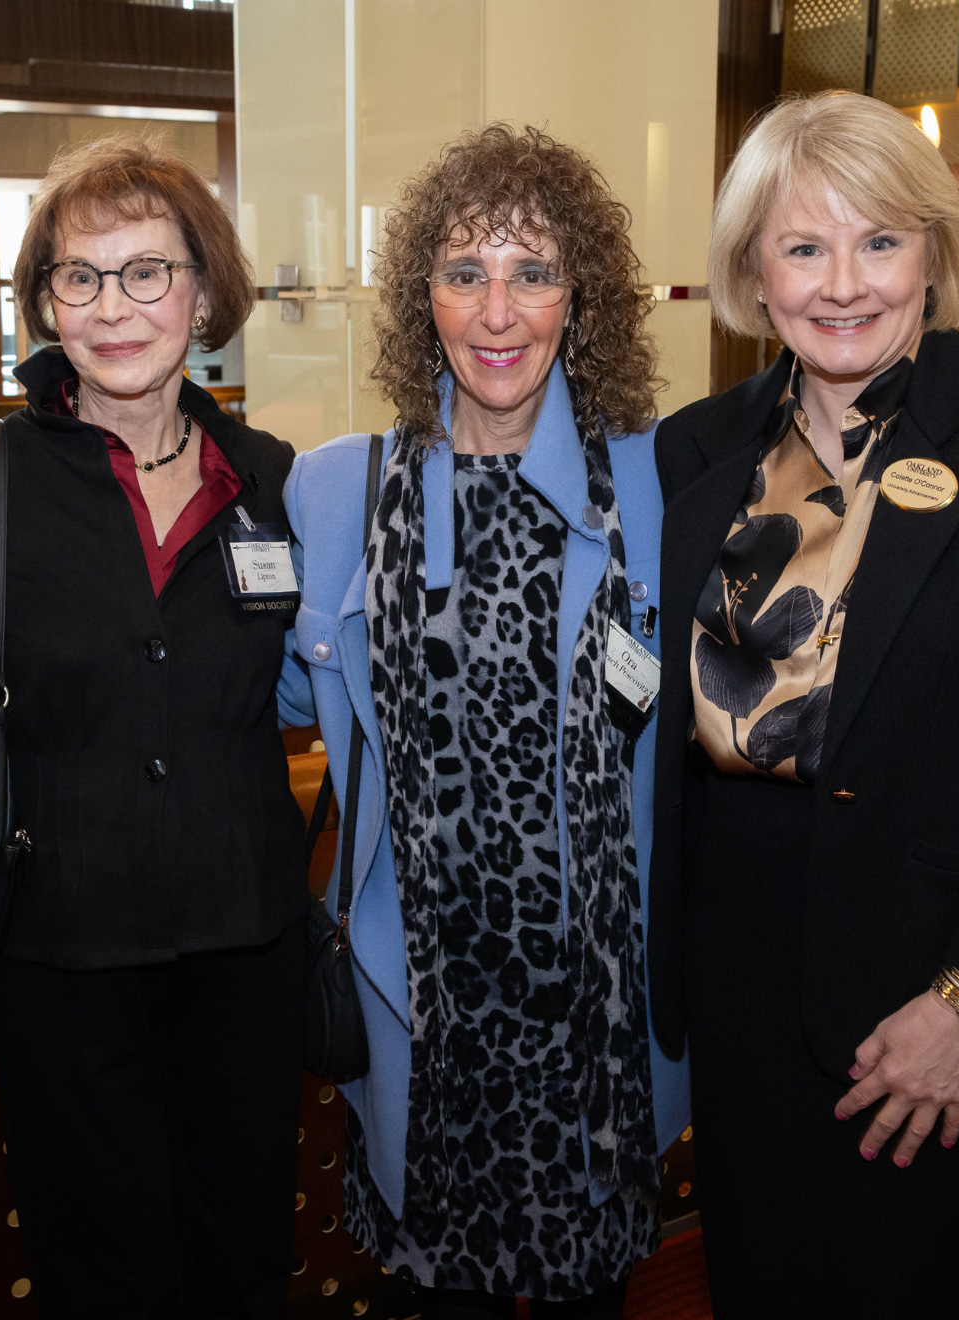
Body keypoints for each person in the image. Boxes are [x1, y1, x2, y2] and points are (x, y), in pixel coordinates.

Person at [649, 90, 959, 1317]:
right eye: (802, 246)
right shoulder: (696, 446)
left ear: (932, 253)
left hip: (934, 967)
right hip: (735, 965)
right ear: (752, 273)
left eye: (879, 241)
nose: (842, 284)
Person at [0, 135, 307, 1320]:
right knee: (102, 1275)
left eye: (146, 272)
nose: (113, 307)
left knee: (243, 1262)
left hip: (246, 948)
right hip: (58, 954)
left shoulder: (272, 478)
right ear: (44, 304)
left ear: (204, 294)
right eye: (79, 276)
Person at [285, 123, 687, 1320]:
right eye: (464, 272)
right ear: (425, 298)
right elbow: (278, 690)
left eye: (533, 272)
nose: (497, 311)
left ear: (581, 298)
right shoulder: (336, 488)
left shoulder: (657, 484)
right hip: (421, 1004)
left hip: (593, 1022)